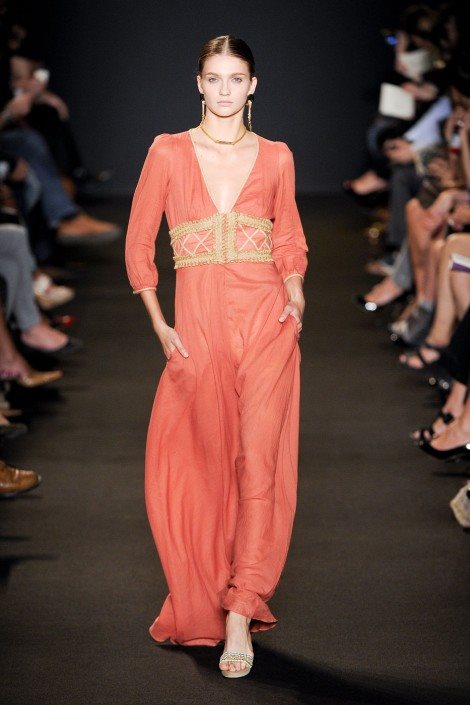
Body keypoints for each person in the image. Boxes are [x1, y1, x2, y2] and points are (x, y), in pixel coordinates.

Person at [125, 35, 308, 678]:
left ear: (252, 85)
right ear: (198, 83)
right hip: (197, 328)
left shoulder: (277, 156)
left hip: (266, 321)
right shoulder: (168, 151)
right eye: (214, 77)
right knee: (198, 467)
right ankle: (206, 588)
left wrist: (295, 291)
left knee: (259, 464)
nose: (225, 89)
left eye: (236, 78)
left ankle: (240, 608)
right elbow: (139, 243)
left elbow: (289, 238)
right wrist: (159, 324)